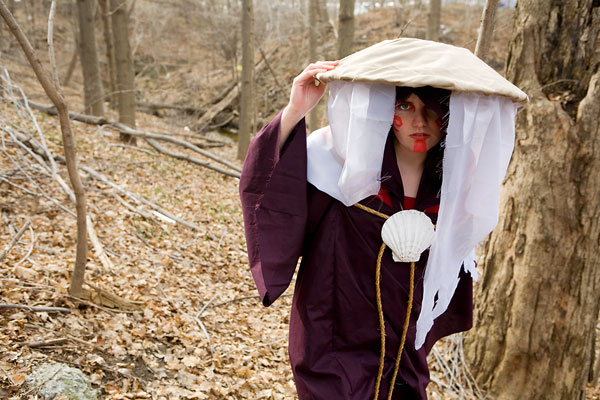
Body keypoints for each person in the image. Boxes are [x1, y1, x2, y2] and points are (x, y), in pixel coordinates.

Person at [239, 61, 473, 399]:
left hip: (405, 348)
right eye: (404, 106)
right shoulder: (338, 162)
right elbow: (271, 187)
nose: (419, 122)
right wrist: (296, 110)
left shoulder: (454, 183)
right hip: (333, 335)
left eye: (431, 108)